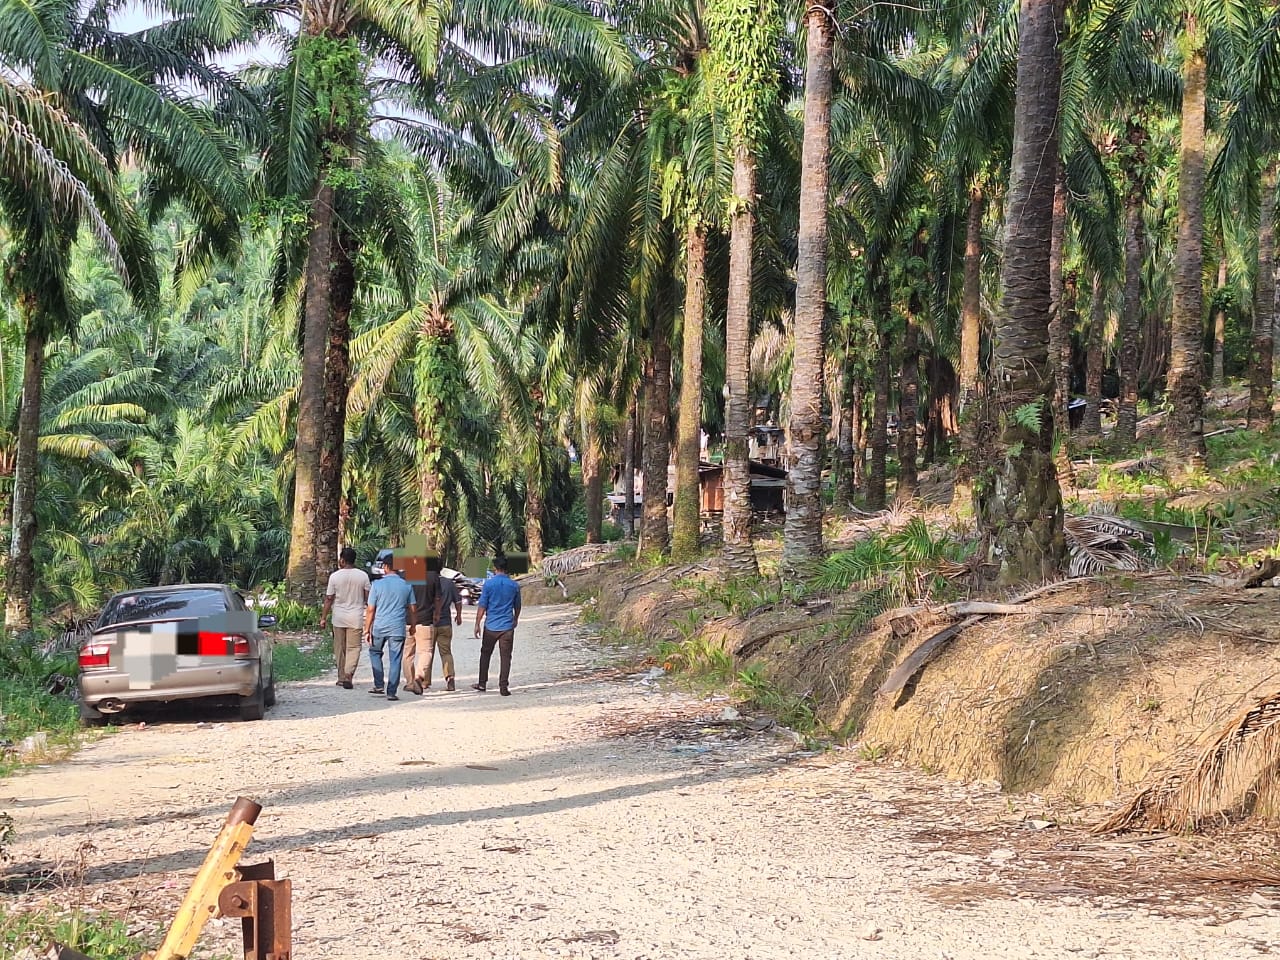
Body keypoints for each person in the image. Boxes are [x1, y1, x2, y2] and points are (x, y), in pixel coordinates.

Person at [362, 553, 416, 701]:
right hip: (398, 627)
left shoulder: (377, 585)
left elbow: (371, 609)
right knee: (396, 659)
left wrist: (367, 629)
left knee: (375, 652)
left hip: (379, 627)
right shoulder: (407, 584)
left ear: (385, 567)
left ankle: (379, 685)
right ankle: (391, 691)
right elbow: (412, 608)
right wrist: (412, 625)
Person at [319, 546, 369, 690]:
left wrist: (323, 617)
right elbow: (367, 598)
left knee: (339, 648)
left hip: (339, 617)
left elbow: (329, 598)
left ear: (342, 560)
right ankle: (349, 674)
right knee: (354, 648)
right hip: (356, 617)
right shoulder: (363, 576)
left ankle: (341, 677)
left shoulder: (335, 576)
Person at [472, 555, 521, 696]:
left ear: (495, 568)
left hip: (491, 626)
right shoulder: (514, 585)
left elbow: (482, 606)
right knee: (506, 657)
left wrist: (477, 623)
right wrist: (515, 619)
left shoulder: (488, 584)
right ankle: (503, 686)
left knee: (485, 654)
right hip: (507, 626)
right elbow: (517, 606)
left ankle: (482, 683)